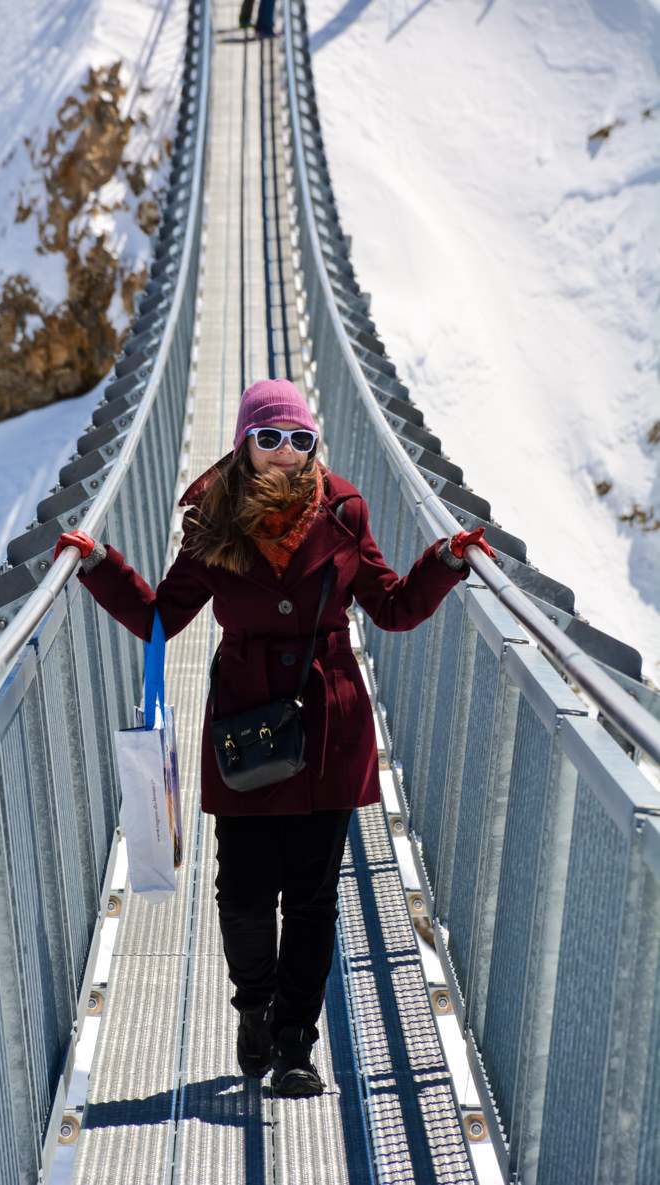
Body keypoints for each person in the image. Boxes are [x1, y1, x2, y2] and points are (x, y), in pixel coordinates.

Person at [54, 378, 496, 1098]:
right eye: (269, 438)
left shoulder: (344, 508)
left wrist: (444, 562)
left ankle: (295, 1042)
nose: (286, 453)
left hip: (329, 723)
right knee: (245, 896)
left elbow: (388, 607)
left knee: (315, 897)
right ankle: (253, 1007)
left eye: (300, 439)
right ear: (243, 445)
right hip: (246, 725)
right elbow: (161, 617)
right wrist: (100, 566)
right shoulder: (214, 519)